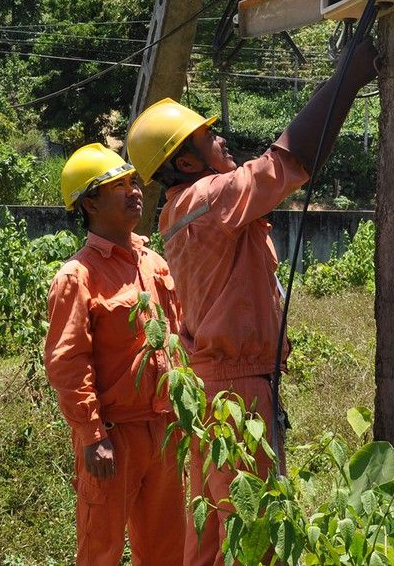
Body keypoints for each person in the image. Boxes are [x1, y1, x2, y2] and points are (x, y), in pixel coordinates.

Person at [125, 37, 378, 565]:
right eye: (208, 135)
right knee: (255, 536)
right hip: (237, 392)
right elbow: (288, 161)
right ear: (185, 160)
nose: (222, 140)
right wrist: (348, 76)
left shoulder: (184, 209)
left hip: (215, 387)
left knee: (215, 539)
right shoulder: (209, 200)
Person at [45, 143, 187, 566]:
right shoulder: (77, 276)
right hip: (112, 437)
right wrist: (92, 436)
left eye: (134, 182)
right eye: (119, 185)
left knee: (166, 550)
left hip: (165, 429)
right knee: (100, 550)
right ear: (90, 202)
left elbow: (178, 337)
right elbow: (68, 364)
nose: (135, 192)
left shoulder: (155, 263)